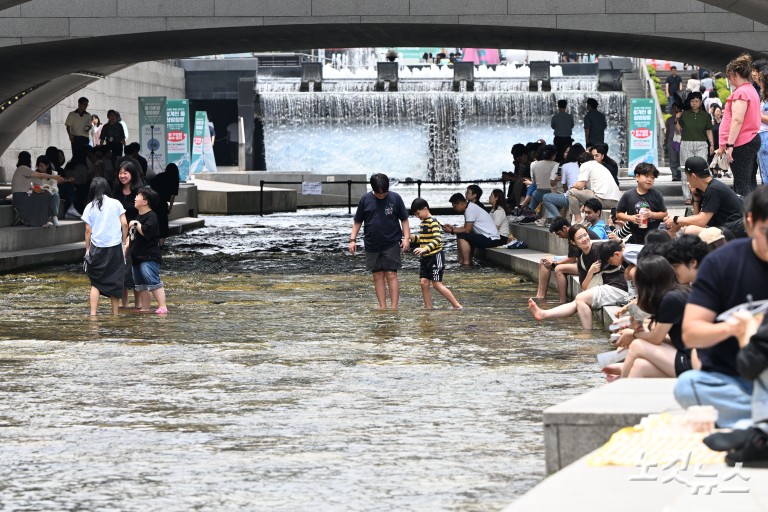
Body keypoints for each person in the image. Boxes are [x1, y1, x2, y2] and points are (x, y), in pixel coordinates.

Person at [674, 187, 768, 428]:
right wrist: (734, 328)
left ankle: (748, 423)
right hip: (732, 379)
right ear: (750, 223)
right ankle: (756, 420)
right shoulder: (720, 263)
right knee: (687, 386)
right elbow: (691, 333)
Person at [613, 255, 697, 378]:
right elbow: (659, 331)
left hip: (693, 362)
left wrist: (633, 335)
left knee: (637, 345)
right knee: (640, 366)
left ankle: (619, 384)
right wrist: (632, 325)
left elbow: (656, 338)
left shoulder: (671, 299)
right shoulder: (678, 291)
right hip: (689, 356)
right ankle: (622, 382)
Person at [528, 229, 628, 330]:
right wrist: (590, 272)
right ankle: (543, 314)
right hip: (607, 287)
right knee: (578, 300)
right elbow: (584, 286)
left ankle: (587, 333)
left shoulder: (600, 248)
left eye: (585, 235)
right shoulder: (581, 261)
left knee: (580, 298)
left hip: (618, 286)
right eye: (579, 238)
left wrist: (620, 241)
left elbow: (619, 249)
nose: (584, 239)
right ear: (573, 242)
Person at [349, 173, 410, 310]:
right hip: (372, 243)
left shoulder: (395, 198)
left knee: (391, 274)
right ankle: (382, 307)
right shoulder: (365, 199)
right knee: (377, 275)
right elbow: (358, 221)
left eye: (384, 193)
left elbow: (404, 219)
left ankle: (394, 307)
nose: (381, 195)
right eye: (378, 193)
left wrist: (406, 238)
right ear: (373, 189)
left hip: (391, 242)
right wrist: (352, 239)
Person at [663, 156, 745, 237]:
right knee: (688, 228)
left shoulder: (713, 189)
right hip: (724, 228)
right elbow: (697, 218)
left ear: (694, 176)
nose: (687, 180)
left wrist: (676, 219)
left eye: (687, 176)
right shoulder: (707, 188)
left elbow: (701, 221)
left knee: (690, 230)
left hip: (732, 230)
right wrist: (696, 200)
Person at [82, 177, 128, 316]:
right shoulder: (116, 203)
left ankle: (93, 314)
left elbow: (88, 230)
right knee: (115, 280)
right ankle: (115, 314)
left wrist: (87, 249)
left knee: (95, 282)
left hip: (97, 247)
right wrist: (124, 241)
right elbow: (124, 224)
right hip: (115, 247)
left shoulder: (89, 207)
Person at [719, 53, 762, 196]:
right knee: (747, 182)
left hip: (742, 141)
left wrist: (730, 144)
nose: (729, 79)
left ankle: (746, 210)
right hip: (750, 139)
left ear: (735, 74)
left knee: (742, 184)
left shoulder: (741, 93)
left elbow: (737, 120)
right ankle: (750, 209)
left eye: (729, 76)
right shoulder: (751, 90)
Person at [409, 198, 462, 310]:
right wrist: (410, 237)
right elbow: (422, 239)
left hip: (435, 256)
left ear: (425, 209)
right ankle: (428, 308)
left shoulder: (433, 221)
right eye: (415, 215)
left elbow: (438, 239)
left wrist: (425, 248)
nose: (417, 216)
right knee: (423, 282)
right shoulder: (423, 222)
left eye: (418, 213)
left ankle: (456, 305)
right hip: (425, 257)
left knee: (436, 283)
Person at [534, 217, 597, 304]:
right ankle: (540, 296)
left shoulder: (575, 234)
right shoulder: (574, 232)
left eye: (559, 233)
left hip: (588, 264)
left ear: (564, 228)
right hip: (582, 260)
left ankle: (562, 301)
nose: (559, 237)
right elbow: (573, 257)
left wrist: (554, 264)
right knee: (544, 260)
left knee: (559, 269)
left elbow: (572, 259)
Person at [129, 186, 169, 314]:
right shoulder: (138, 217)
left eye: (138, 196)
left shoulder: (152, 216)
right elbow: (132, 237)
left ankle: (162, 306)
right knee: (140, 284)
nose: (135, 198)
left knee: (151, 279)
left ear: (145, 202)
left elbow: (146, 232)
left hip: (149, 256)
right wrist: (125, 247)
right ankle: (145, 308)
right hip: (137, 256)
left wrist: (136, 224)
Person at [114, 161, 144, 309]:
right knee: (121, 270)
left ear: (132, 174)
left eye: (125, 173)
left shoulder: (139, 192)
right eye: (120, 173)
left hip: (135, 235)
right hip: (118, 234)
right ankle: (124, 305)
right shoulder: (116, 192)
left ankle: (138, 305)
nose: (122, 176)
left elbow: (143, 214)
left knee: (135, 269)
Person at [11, 151, 69, 227]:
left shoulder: (23, 170)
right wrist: (54, 177)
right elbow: (39, 175)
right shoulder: (23, 168)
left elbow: (32, 184)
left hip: (23, 196)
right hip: (21, 198)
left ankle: (45, 220)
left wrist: (43, 187)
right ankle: (42, 221)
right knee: (45, 196)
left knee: (47, 195)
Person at [675, 91, 714, 204]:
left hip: (702, 144)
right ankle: (687, 196)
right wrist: (676, 119)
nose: (694, 103)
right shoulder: (684, 114)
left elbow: (709, 131)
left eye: (696, 101)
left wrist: (712, 144)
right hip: (686, 144)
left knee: (702, 169)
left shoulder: (706, 116)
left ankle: (702, 194)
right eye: (692, 101)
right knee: (686, 169)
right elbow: (678, 130)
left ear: (701, 102)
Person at [616, 163, 668, 244]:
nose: (650, 180)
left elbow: (664, 214)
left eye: (652, 177)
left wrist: (652, 214)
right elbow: (619, 214)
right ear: (637, 177)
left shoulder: (657, 195)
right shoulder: (628, 195)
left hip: (653, 238)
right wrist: (631, 218)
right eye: (646, 176)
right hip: (636, 235)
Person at [444, 193, 502, 266]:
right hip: (489, 238)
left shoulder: (470, 210)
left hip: (491, 239)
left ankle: (466, 263)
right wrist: (453, 228)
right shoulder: (470, 207)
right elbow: (466, 228)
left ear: (460, 203)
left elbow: (467, 230)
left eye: (455, 206)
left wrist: (452, 231)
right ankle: (462, 260)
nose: (454, 209)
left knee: (462, 235)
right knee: (461, 234)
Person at [567, 152, 621, 224]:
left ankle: (578, 221)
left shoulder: (585, 165)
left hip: (602, 199)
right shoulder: (600, 166)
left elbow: (580, 185)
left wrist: (573, 186)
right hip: (615, 202)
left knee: (571, 192)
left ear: (580, 163)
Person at [542, 143, 583, 221]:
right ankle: (553, 220)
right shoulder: (586, 166)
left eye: (568, 152)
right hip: (584, 196)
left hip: (570, 196)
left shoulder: (565, 166)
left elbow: (565, 186)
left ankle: (559, 221)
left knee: (546, 197)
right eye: (565, 152)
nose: (566, 154)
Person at [149, 163, 180, 245]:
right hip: (162, 204)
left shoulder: (159, 176)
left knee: (154, 222)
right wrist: (170, 208)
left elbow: (151, 187)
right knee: (163, 224)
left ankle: (153, 243)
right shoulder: (174, 179)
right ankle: (161, 244)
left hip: (153, 202)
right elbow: (172, 196)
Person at [31, 155, 63, 227]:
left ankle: (54, 217)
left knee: (55, 195)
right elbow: (33, 186)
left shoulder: (53, 174)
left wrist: (48, 188)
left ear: (47, 165)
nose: (40, 168)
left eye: (42, 166)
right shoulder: (35, 174)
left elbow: (55, 187)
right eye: (38, 166)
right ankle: (48, 219)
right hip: (39, 193)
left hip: (50, 192)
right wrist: (40, 188)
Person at [529, 144, 558, 215]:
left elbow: (534, 182)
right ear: (554, 154)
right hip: (552, 193)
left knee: (534, 194)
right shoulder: (557, 165)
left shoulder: (535, 165)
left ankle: (530, 213)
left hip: (539, 193)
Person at [665, 104, 683, 181]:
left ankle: (681, 174)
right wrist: (666, 141)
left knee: (681, 159)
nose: (675, 110)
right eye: (674, 108)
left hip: (682, 140)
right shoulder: (669, 120)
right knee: (673, 159)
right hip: (671, 140)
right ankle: (675, 175)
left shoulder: (684, 118)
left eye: (677, 108)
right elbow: (667, 131)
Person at [757, 66, 768, 186]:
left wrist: (758, 115)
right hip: (761, 135)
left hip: (766, 136)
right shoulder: (763, 98)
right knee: (764, 173)